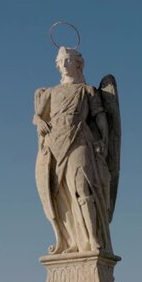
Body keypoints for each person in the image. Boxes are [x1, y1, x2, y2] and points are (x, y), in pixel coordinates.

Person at [33, 47, 113, 254]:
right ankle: (73, 241)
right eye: (61, 61)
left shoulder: (87, 91)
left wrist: (104, 139)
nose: (64, 64)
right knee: (61, 192)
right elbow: (37, 116)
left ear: (78, 63)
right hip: (54, 144)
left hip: (79, 139)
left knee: (81, 187)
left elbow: (99, 115)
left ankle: (92, 239)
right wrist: (39, 121)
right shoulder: (50, 92)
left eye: (68, 60)